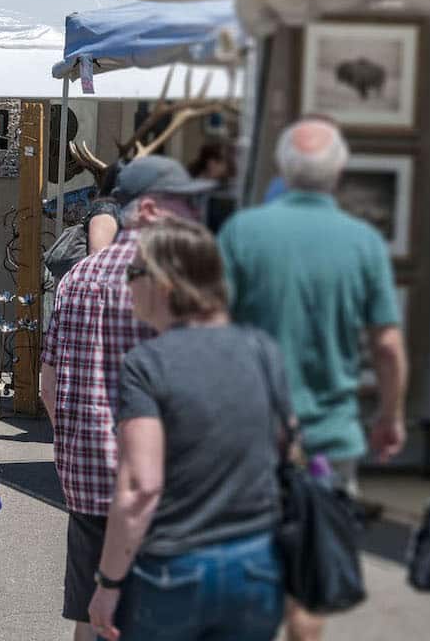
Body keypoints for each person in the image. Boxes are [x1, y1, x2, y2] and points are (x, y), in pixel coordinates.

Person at [215, 118, 407, 641]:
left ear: (282, 167)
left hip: (249, 430)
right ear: (339, 171)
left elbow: (214, 331)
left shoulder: (242, 232)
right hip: (329, 433)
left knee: (251, 569)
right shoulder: (363, 242)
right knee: (310, 579)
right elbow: (387, 345)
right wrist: (391, 417)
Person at [38, 154, 216, 641]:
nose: (194, 215)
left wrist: (74, 442)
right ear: (153, 209)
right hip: (161, 483)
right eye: (185, 204)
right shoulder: (177, 278)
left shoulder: (78, 276)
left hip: (88, 474)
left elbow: (47, 383)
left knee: (89, 616)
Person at [86, 216, 289, 641]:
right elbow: (286, 452)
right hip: (256, 563)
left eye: (135, 272)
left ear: (164, 283)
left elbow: (141, 487)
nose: (127, 283)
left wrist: (108, 582)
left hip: (175, 568)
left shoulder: (148, 364)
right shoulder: (263, 351)